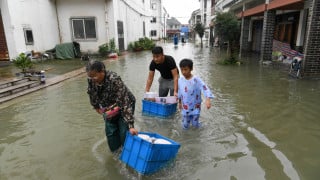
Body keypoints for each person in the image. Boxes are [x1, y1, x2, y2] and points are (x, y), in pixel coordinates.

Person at [86, 60, 138, 152]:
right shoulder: (91, 80)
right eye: (90, 76)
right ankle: (116, 155)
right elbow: (92, 95)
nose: (92, 79)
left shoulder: (114, 79)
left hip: (124, 104)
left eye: (94, 76)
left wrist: (131, 125)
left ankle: (127, 152)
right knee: (111, 133)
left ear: (102, 71)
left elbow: (124, 102)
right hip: (109, 107)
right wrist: (98, 108)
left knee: (123, 132)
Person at [178, 59, 214, 129]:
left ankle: (199, 130)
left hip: (195, 107)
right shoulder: (180, 80)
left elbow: (205, 88)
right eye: (182, 70)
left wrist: (208, 99)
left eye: (186, 69)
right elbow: (180, 91)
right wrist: (179, 102)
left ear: (191, 69)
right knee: (185, 125)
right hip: (185, 107)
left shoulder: (196, 80)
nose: (183, 72)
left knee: (195, 125)